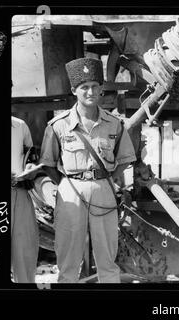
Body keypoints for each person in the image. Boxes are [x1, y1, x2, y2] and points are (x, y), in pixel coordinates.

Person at [40, 57, 137, 283]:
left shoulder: (114, 124)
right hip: (71, 191)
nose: (90, 92)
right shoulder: (59, 125)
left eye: (95, 86)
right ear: (75, 90)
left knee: (107, 258)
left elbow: (124, 159)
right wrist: (66, 183)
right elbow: (48, 163)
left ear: (101, 89)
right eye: (84, 87)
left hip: (103, 188)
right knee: (68, 258)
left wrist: (106, 180)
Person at [11, 116, 39, 283]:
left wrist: (30, 168)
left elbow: (30, 157)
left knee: (25, 250)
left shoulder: (19, 125)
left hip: (19, 193)